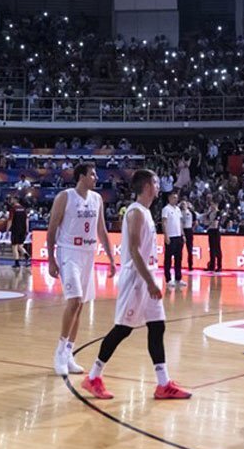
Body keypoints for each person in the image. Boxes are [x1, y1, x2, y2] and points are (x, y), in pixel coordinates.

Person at [79, 170, 191, 400]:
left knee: (157, 327)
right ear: (148, 186)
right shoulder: (136, 212)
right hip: (136, 280)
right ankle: (93, 376)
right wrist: (150, 283)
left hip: (148, 276)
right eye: (157, 182)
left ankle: (163, 383)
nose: (159, 186)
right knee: (123, 329)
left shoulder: (147, 212)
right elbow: (133, 251)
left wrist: (152, 278)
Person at [48, 163, 116, 375]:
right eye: (92, 174)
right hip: (69, 251)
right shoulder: (65, 197)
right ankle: (59, 353)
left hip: (88, 253)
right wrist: (51, 258)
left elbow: (102, 230)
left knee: (81, 305)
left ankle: (69, 353)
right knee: (74, 300)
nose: (96, 177)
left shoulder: (96, 199)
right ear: (81, 177)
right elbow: (51, 229)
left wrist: (112, 258)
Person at [161, 192, 184, 288]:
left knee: (178, 258)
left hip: (178, 236)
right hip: (170, 236)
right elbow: (164, 222)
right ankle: (168, 279)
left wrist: (183, 234)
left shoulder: (178, 209)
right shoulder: (166, 209)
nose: (176, 199)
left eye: (176, 198)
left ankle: (178, 278)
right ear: (169, 198)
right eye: (174, 198)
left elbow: (180, 222)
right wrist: (166, 235)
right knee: (168, 258)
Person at [8, 194, 30, 268]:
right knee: (20, 245)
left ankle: (17, 263)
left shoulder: (13, 209)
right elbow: (27, 219)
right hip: (23, 229)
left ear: (15, 200)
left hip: (15, 229)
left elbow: (10, 220)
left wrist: (7, 229)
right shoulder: (24, 209)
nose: (10, 200)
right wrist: (27, 229)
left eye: (12, 199)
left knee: (14, 246)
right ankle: (26, 255)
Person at [204, 203, 223, 272]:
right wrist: (209, 223)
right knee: (211, 249)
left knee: (217, 249)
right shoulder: (209, 213)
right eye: (211, 205)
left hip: (216, 231)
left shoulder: (218, 213)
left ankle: (219, 266)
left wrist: (209, 223)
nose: (212, 207)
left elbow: (215, 224)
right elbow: (205, 222)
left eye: (213, 205)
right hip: (210, 231)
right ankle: (212, 266)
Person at [180, 199, 195, 273]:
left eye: (184, 204)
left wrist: (193, 228)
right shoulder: (179, 213)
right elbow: (180, 224)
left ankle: (190, 265)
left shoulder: (191, 212)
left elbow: (196, 221)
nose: (183, 205)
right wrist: (182, 233)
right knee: (180, 249)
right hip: (183, 230)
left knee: (190, 249)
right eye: (182, 204)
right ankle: (179, 264)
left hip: (189, 230)